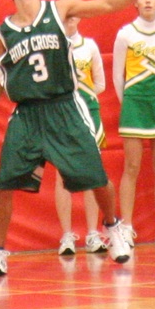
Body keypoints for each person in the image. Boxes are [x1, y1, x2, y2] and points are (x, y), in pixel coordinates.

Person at [0, 0, 150, 275]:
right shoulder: (3, 32)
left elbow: (106, 5)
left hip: (64, 107)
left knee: (96, 177)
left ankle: (112, 226)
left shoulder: (59, 9)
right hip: (27, 114)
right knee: (4, 183)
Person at [113, 0, 155, 245]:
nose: (148, 1)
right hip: (134, 104)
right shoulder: (125, 34)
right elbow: (117, 76)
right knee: (131, 166)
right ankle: (126, 227)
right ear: (135, 3)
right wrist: (128, 102)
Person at [56, 14, 108, 256]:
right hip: (61, 113)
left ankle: (92, 233)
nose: (69, 19)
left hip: (89, 111)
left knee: (91, 172)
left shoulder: (89, 46)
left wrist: (81, 97)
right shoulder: (52, 47)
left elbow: (100, 83)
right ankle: (66, 235)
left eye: (73, 15)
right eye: (65, 16)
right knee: (61, 174)